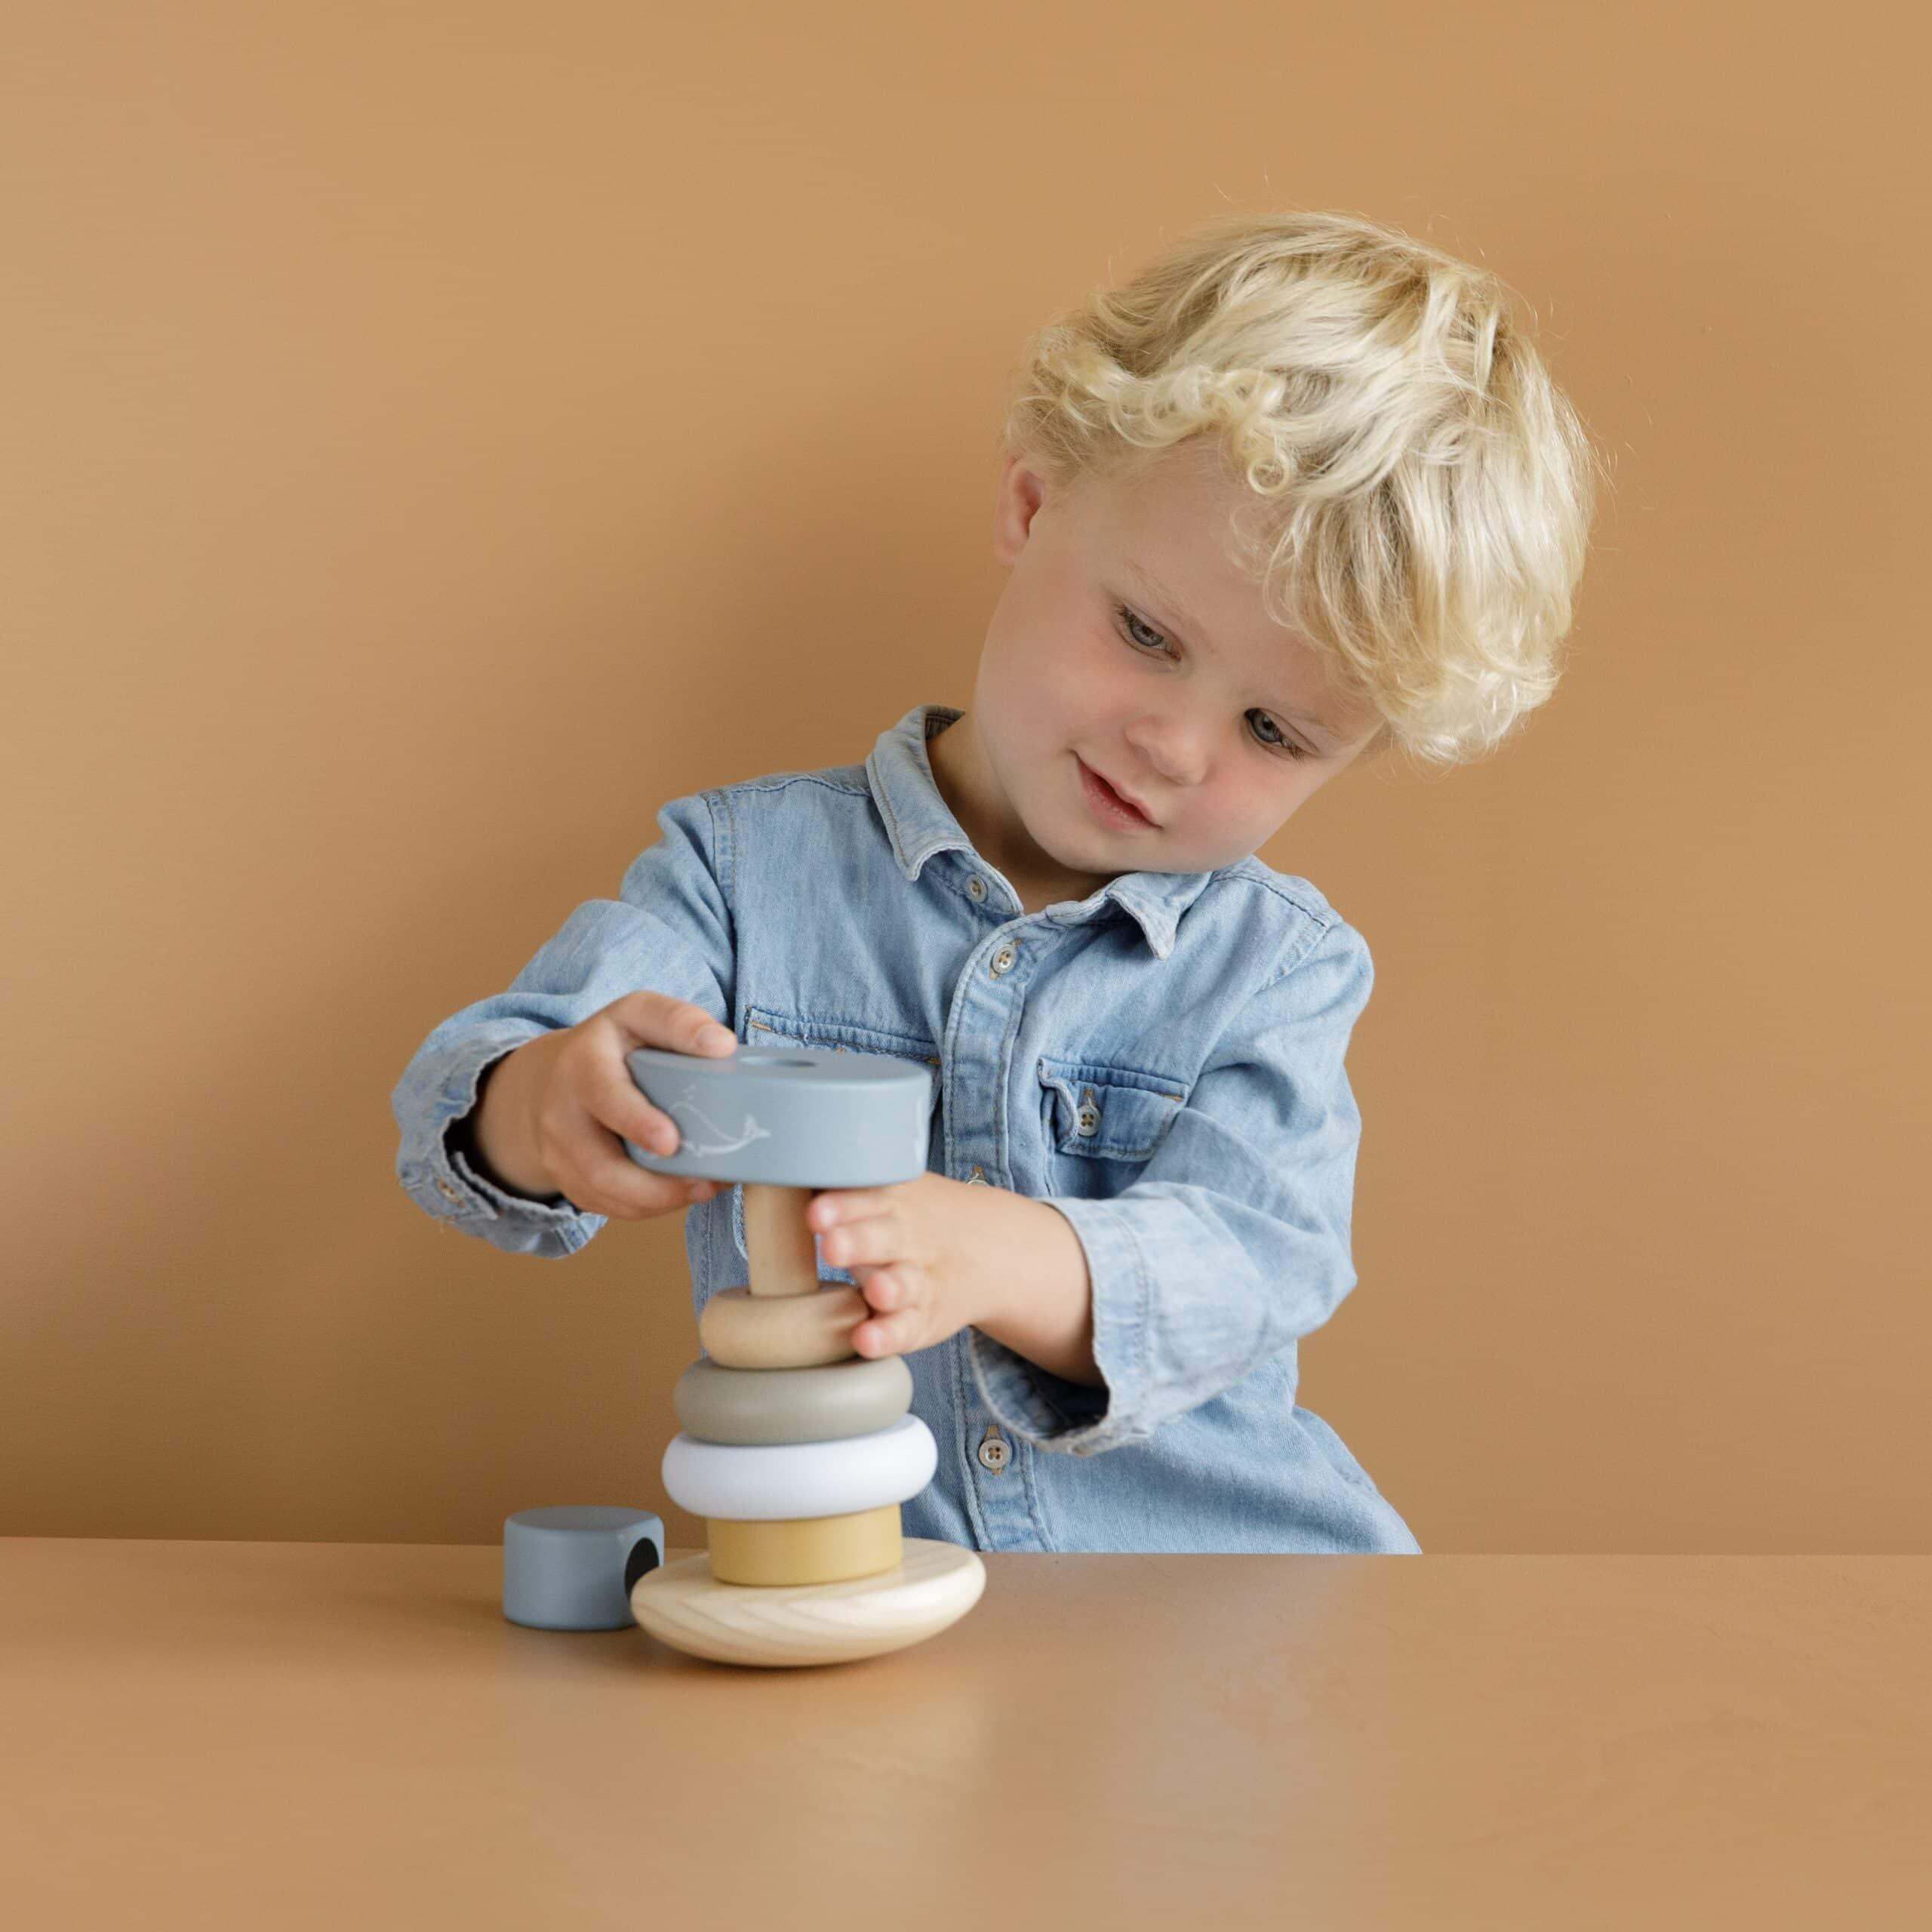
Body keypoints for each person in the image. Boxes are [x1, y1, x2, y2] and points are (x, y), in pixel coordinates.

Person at [391, 208, 1604, 1555]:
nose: (1174, 745)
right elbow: (476, 1093)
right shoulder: (747, 878)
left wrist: (1007, 1255)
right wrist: (547, 1101)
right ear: (1032, 508)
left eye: (1274, 733)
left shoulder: (1279, 968)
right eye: (1147, 633)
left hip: (1227, 1597)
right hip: (857, 1593)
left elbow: (1260, 1257)